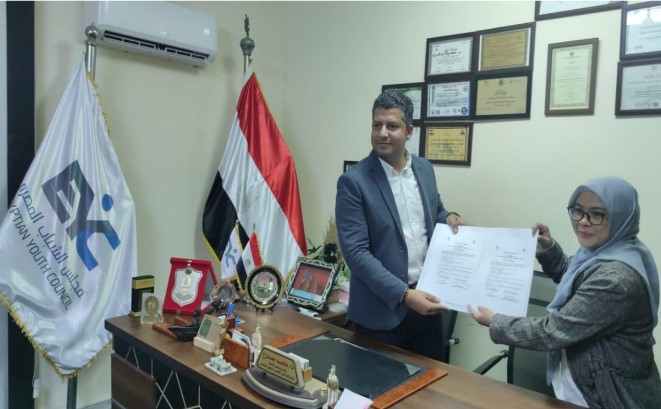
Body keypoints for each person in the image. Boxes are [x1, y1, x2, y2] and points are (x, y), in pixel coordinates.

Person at [469, 176, 661, 408]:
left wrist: (495, 322)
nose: (583, 222)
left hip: (611, 398)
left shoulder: (616, 280)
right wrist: (548, 248)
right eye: (578, 211)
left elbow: (553, 331)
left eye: (597, 214)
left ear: (621, 218)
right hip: (584, 387)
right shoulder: (612, 251)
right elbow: (574, 277)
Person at [335, 90, 468, 360]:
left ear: (409, 131)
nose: (382, 133)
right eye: (377, 125)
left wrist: (449, 217)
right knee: (381, 386)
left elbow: (435, 212)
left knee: (431, 384)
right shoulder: (354, 182)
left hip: (428, 305)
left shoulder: (424, 169)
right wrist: (405, 295)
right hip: (380, 316)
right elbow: (356, 254)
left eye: (392, 126)